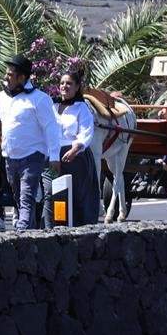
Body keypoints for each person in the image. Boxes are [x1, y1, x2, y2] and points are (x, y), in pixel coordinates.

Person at [0, 55, 61, 232]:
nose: (5, 77)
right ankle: (32, 230)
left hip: (33, 155)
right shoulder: (1, 97)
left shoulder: (40, 99)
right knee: (18, 197)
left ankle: (21, 231)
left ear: (22, 77)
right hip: (10, 157)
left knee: (26, 195)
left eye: (10, 74)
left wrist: (54, 156)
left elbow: (51, 128)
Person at [54, 68, 102, 227]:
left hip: (76, 157)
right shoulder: (52, 106)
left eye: (69, 83)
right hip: (54, 156)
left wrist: (75, 150)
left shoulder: (81, 108)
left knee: (76, 195)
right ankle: (57, 227)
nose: (64, 86)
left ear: (76, 87)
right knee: (55, 195)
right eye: (62, 83)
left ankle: (79, 228)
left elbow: (86, 132)